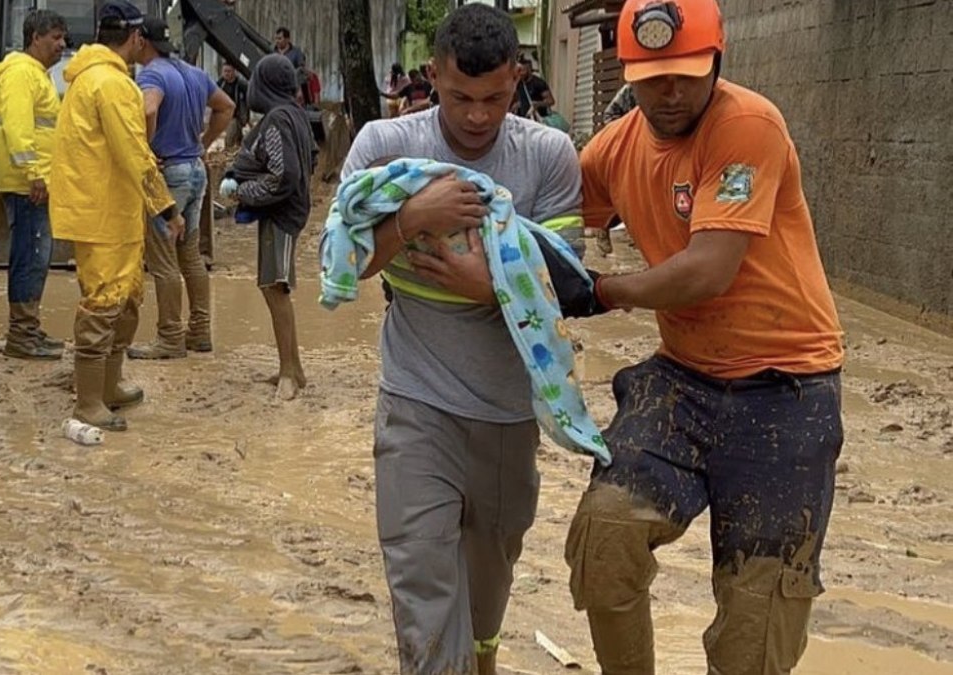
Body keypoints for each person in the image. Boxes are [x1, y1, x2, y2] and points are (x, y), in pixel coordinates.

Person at [563, 1, 845, 673]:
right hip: (683, 379)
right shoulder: (613, 149)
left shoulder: (748, 126)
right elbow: (551, 226)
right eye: (652, 76)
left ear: (718, 59)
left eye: (686, 74)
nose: (670, 92)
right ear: (628, 72)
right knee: (604, 537)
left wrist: (605, 290)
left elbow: (708, 270)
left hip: (787, 391)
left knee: (757, 629)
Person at [338, 4, 585, 672]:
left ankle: (481, 657)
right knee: (422, 583)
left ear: (518, 79)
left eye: (495, 98)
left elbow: (569, 282)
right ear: (433, 76)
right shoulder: (385, 148)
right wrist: (413, 216)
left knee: (490, 576)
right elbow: (343, 260)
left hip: (509, 412)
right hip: (415, 401)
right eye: (459, 97)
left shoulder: (548, 154)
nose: (477, 116)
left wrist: (493, 286)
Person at [49, 0, 181, 431]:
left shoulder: (89, 79)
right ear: (137, 38)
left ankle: (109, 384)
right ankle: (88, 401)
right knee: (104, 305)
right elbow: (134, 151)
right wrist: (166, 206)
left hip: (107, 211)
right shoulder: (112, 85)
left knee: (124, 299)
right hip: (104, 213)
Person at [127, 17, 235, 360]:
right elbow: (227, 107)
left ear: (142, 41)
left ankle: (170, 337)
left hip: (169, 173)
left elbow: (148, 108)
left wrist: (146, 149)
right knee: (190, 254)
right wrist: (203, 142)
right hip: (196, 171)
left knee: (162, 259)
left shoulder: (151, 75)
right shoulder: (193, 72)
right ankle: (200, 331)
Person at [220, 54, 316, 400]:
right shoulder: (295, 114)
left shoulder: (277, 120)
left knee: (276, 289)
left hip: (281, 213)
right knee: (272, 287)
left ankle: (290, 373)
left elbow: (283, 174)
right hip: (288, 211)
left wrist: (244, 192)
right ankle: (291, 367)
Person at [0, 9, 68, 361]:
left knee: (37, 257)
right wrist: (34, 173)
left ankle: (29, 328)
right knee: (29, 256)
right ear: (35, 37)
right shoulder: (22, 73)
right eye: (55, 37)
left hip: (37, 182)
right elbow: (18, 129)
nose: (62, 45)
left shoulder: (36, 75)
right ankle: (21, 335)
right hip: (29, 185)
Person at [217, 61, 249, 148]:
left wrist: (246, 118)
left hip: (236, 116)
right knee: (239, 140)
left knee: (229, 140)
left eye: (229, 71)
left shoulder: (241, 84)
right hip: (224, 115)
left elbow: (248, 101)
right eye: (225, 71)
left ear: (234, 71)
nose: (226, 74)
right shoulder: (220, 83)